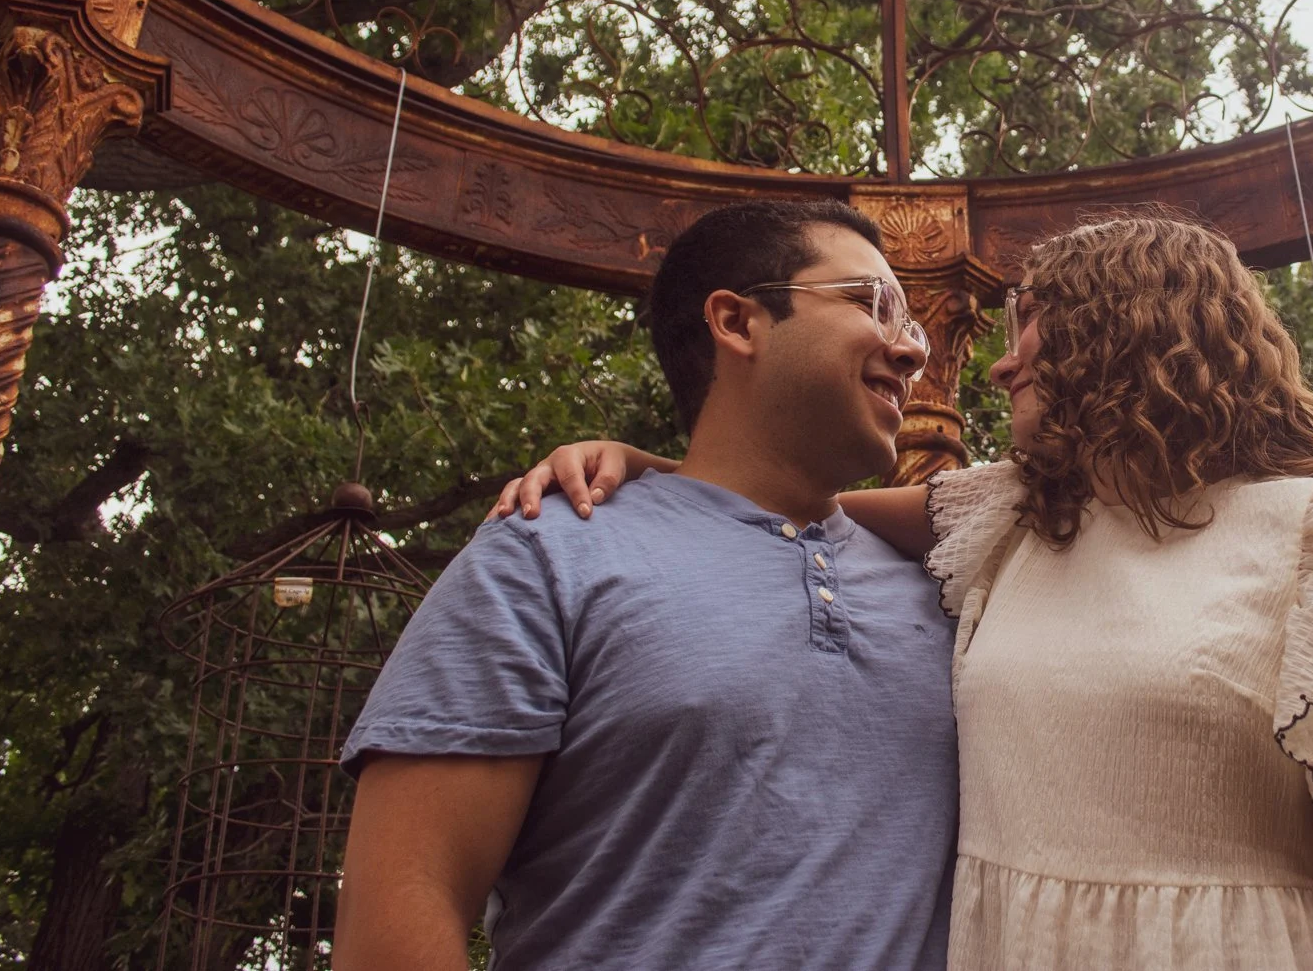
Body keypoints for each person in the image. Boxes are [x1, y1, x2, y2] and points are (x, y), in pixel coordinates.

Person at [493, 211, 1313, 971]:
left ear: (1125, 329)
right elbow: (779, 490)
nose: (1001, 363)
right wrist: (640, 467)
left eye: (1031, 330)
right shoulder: (1011, 516)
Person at [333, 200, 960, 971]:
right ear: (738, 322)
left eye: (913, 323)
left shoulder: (954, 589)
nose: (912, 350)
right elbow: (402, 907)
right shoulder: (546, 552)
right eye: (873, 303)